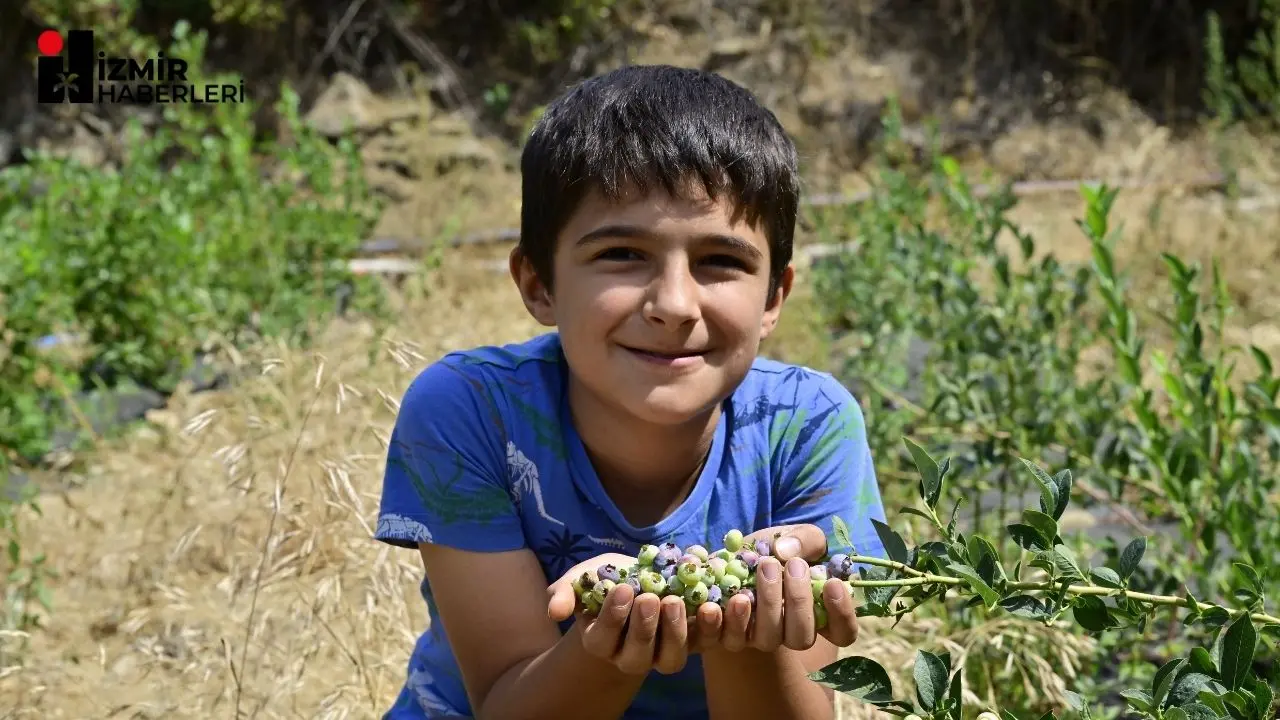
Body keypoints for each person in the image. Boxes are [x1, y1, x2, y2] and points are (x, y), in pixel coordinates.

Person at [373, 64, 889, 720]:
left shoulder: (810, 424)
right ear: (538, 284)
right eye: (622, 254)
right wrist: (611, 630)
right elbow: (506, 705)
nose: (674, 304)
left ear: (773, 298)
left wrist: (738, 626)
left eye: (720, 262)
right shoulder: (468, 409)